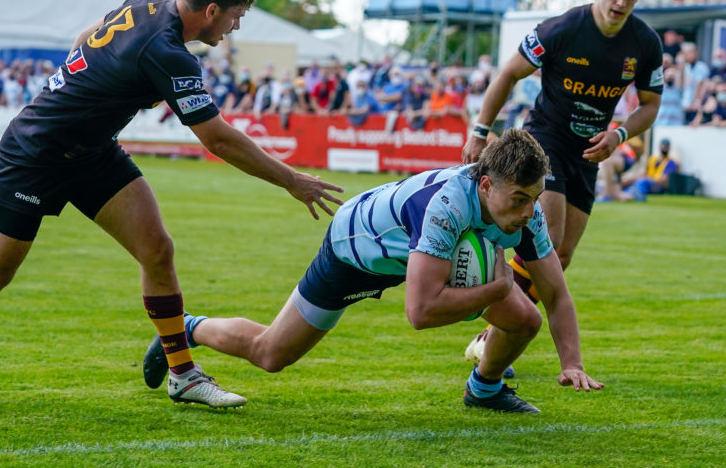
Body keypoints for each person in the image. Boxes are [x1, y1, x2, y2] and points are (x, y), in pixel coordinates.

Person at [0, 0, 345, 409]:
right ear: (212, 11)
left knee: (157, 250)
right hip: (36, 153)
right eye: (236, 17)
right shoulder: (170, 54)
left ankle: (184, 374)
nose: (235, 27)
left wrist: (85, 85)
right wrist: (291, 180)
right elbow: (219, 139)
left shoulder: (144, 5)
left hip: (92, 152)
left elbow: (86, 37)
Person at [142, 129, 604, 413]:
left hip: (414, 256)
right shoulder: (446, 207)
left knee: (525, 319)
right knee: (271, 354)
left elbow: (556, 293)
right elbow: (420, 312)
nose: (528, 211)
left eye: (533, 199)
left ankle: (484, 389)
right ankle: (187, 329)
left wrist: (572, 363)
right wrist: (496, 289)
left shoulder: (527, 212)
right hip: (354, 251)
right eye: (519, 200)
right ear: (485, 185)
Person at [462, 0, 663, 309]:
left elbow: (649, 105)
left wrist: (618, 135)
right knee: (549, 240)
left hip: (589, 152)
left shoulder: (645, 44)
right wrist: (480, 131)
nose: (621, 3)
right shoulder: (562, 29)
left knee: (562, 255)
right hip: (547, 140)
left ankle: (497, 331)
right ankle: (500, 319)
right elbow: (509, 73)